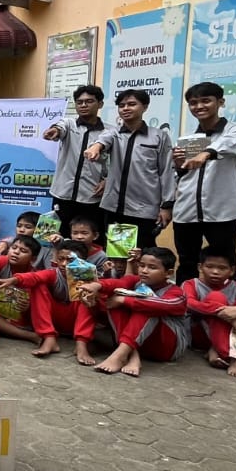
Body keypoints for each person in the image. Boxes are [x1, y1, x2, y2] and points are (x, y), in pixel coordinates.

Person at [171, 82, 236, 282]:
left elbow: (228, 145)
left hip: (222, 213)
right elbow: (181, 177)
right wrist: (179, 165)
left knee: (224, 263)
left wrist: (206, 153)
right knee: (187, 262)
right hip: (186, 212)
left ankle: (228, 308)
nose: (199, 107)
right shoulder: (188, 138)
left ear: (220, 102)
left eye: (206, 101)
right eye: (193, 103)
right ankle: (185, 307)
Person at [84, 90, 175, 251]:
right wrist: (95, 148)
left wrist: (166, 206)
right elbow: (103, 141)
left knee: (143, 253)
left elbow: (166, 172)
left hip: (145, 209)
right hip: (115, 208)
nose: (125, 108)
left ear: (145, 107)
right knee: (117, 254)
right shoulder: (113, 133)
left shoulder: (159, 136)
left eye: (132, 104)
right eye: (121, 105)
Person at [79, 246, 189, 377]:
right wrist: (96, 286)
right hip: (139, 344)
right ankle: (131, 355)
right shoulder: (136, 281)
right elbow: (118, 283)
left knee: (148, 305)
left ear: (168, 273)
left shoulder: (176, 292)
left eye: (152, 267)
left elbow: (164, 305)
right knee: (114, 299)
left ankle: (120, 356)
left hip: (167, 347)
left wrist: (124, 300)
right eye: (142, 265)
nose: (144, 271)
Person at [184, 250, 236, 378]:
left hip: (228, 334)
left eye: (222, 268)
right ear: (200, 267)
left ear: (232, 270)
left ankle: (219, 350)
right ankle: (235, 357)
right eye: (209, 267)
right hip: (200, 334)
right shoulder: (191, 284)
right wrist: (230, 318)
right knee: (216, 297)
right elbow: (188, 303)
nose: (215, 272)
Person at [44, 85, 108, 236]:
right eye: (79, 102)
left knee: (88, 239)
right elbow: (60, 127)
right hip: (62, 195)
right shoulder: (69, 124)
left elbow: (115, 163)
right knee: (56, 236)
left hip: (91, 198)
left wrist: (108, 180)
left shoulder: (109, 132)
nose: (84, 105)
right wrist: (55, 130)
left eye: (89, 101)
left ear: (100, 104)